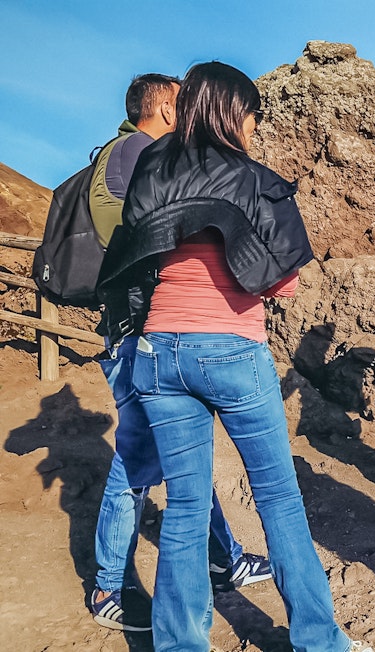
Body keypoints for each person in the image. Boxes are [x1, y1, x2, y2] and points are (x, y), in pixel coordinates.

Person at [97, 62, 370, 652]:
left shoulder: (152, 166)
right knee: (278, 495)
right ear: (230, 112)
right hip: (230, 348)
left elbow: (137, 254)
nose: (252, 127)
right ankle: (319, 642)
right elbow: (282, 282)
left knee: (186, 505)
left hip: (157, 354)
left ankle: (180, 644)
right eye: (249, 114)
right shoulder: (251, 177)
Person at [88, 73, 271, 633]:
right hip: (145, 334)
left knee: (179, 460)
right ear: (167, 106)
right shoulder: (139, 153)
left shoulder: (123, 154)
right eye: (182, 99)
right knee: (135, 464)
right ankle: (106, 587)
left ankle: (224, 557)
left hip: (150, 331)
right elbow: (139, 238)